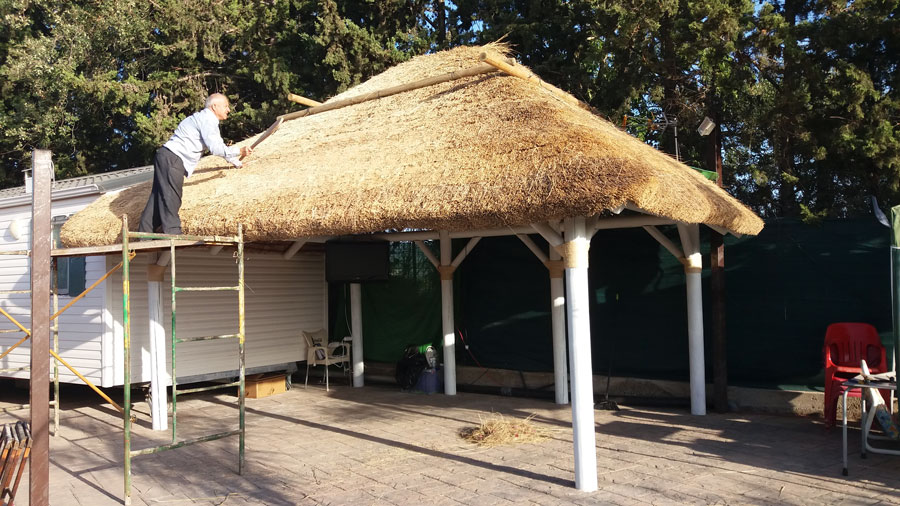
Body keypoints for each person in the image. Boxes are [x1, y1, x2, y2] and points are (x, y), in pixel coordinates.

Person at [138, 93, 252, 235]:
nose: (228, 110)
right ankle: (173, 234)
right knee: (171, 196)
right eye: (226, 106)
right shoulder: (208, 120)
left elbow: (219, 146)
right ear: (214, 106)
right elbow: (216, 148)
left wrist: (236, 162)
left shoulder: (201, 118)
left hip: (165, 155)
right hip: (173, 158)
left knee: (157, 197)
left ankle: (144, 234)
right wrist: (239, 150)